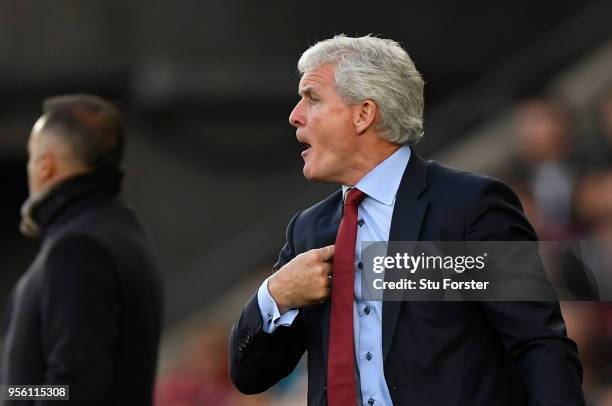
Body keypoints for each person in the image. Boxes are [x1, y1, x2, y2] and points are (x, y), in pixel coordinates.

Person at [228, 35, 584, 405]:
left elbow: (539, 345)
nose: (294, 115)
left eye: (312, 98)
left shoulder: (469, 207)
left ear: (364, 114)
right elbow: (250, 374)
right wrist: (275, 295)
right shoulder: (307, 230)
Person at [0, 94, 164, 405]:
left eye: (31, 157)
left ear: (45, 165)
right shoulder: (123, 231)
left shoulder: (77, 248)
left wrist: (14, 393)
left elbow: (71, 389)